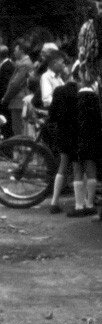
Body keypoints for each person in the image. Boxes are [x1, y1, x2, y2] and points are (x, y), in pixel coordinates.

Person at [47, 63, 77, 214]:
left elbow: (52, 114)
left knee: (62, 166)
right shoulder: (83, 93)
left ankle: (54, 201)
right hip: (78, 134)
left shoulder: (59, 91)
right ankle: (82, 202)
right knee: (81, 168)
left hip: (62, 133)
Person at [70, 65, 100, 218]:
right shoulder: (95, 99)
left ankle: (78, 205)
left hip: (76, 139)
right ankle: (89, 204)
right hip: (92, 138)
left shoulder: (74, 98)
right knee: (91, 170)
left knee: (77, 171)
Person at [2, 43, 34, 138]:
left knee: (18, 129)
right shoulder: (25, 63)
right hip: (22, 98)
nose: (14, 52)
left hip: (18, 100)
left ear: (22, 51)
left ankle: (20, 151)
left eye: (16, 50)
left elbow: (15, 84)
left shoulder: (24, 65)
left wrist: (6, 97)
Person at [0, 45, 16, 135]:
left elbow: (5, 85)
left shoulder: (7, 66)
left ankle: (7, 139)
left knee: (5, 121)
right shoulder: (1, 65)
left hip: (2, 99)